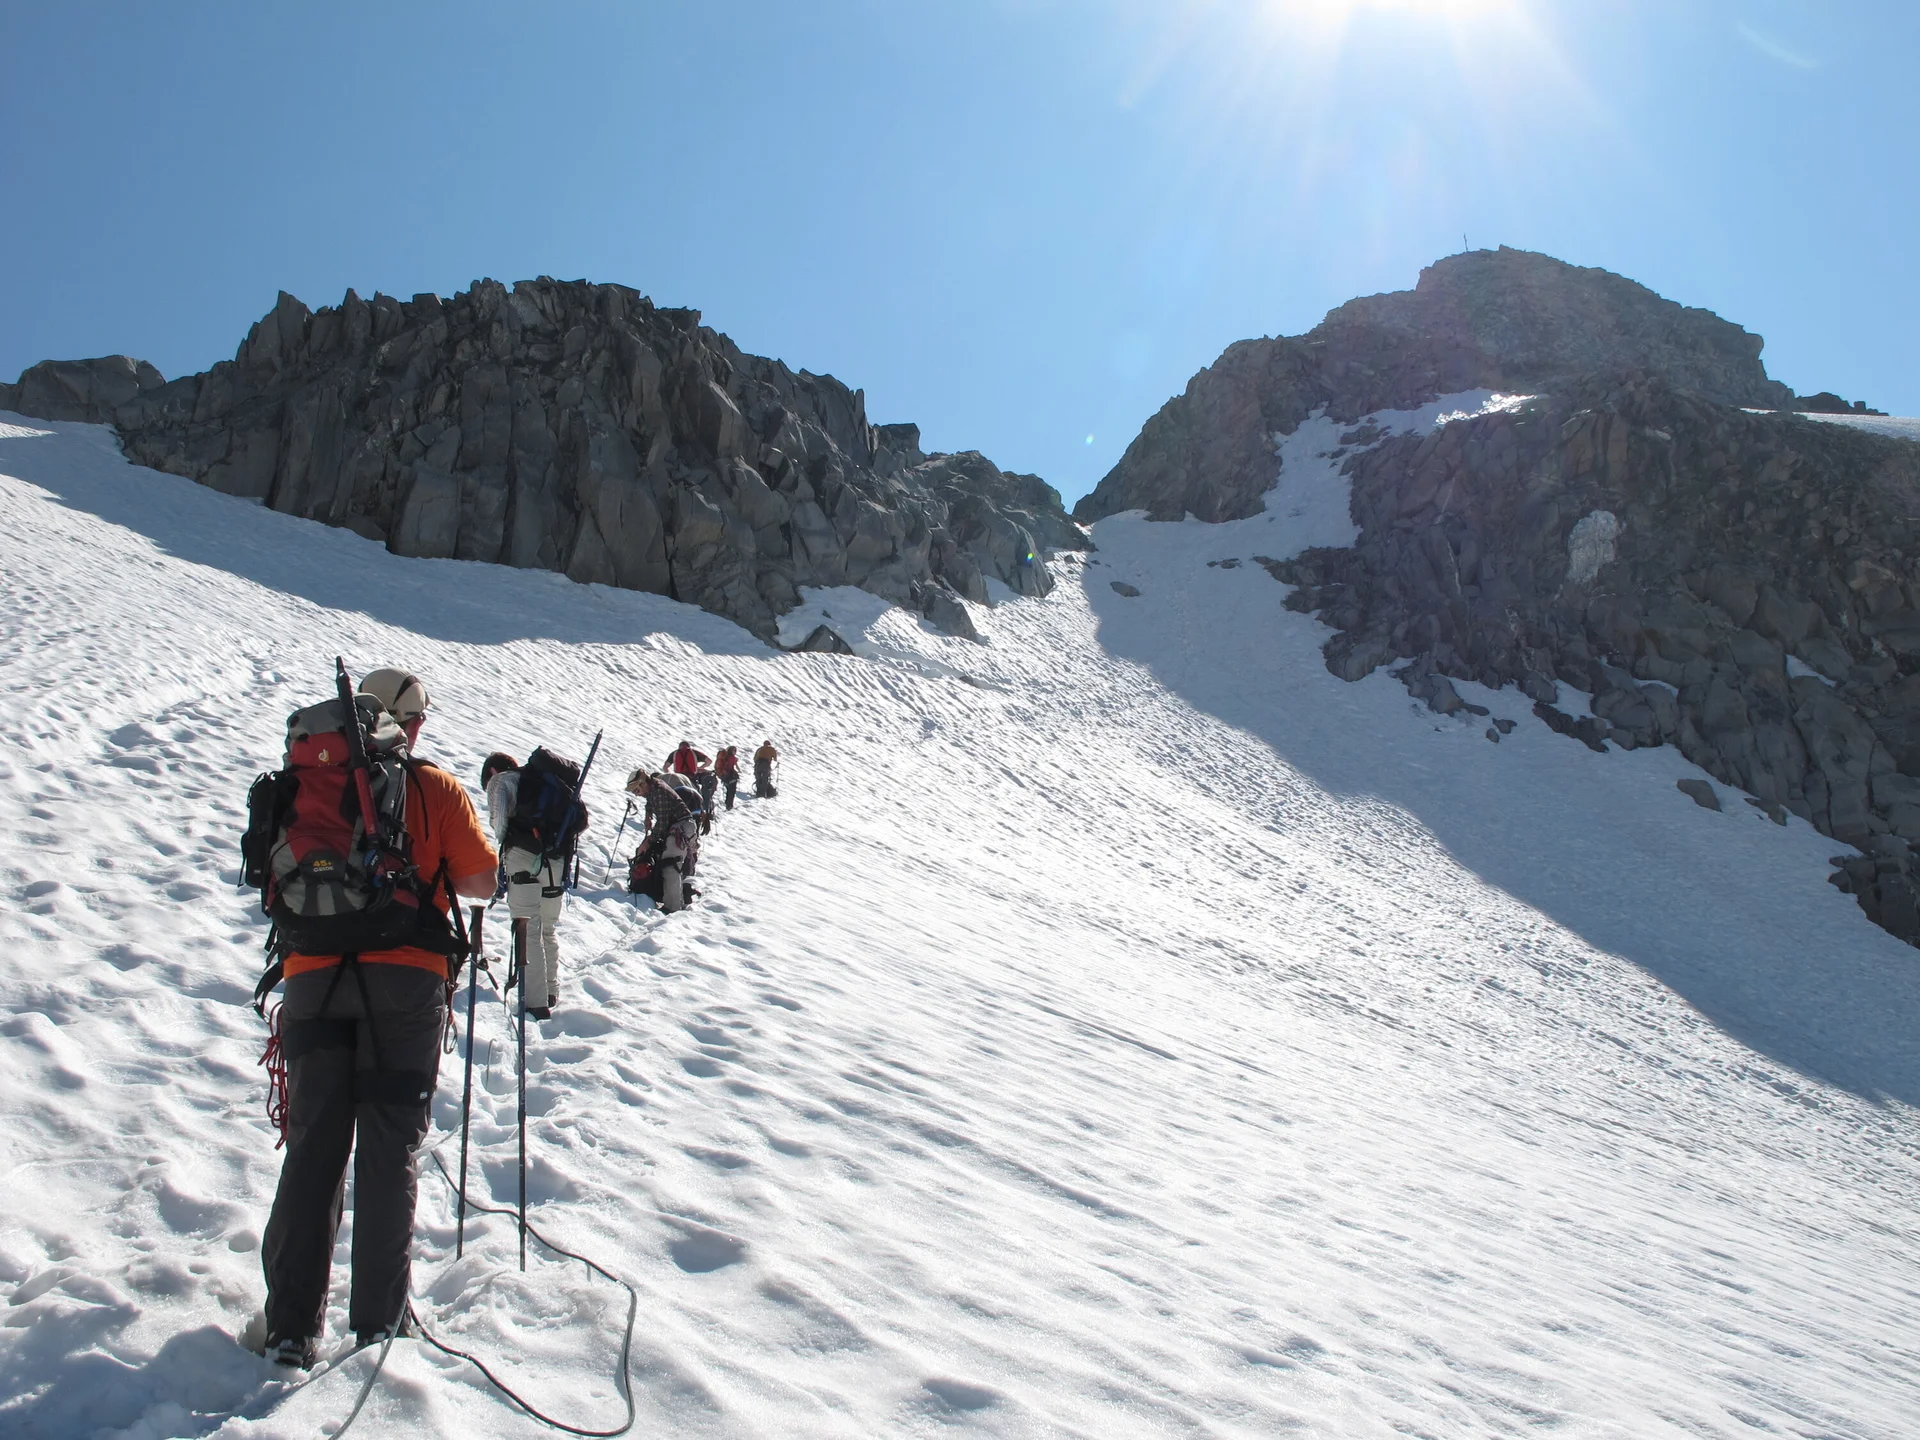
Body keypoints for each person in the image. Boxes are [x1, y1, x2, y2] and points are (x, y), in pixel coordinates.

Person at [260, 667, 496, 1369]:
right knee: (389, 1144)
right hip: (408, 979)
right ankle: (380, 1324)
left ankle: (291, 1329)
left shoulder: (301, 786)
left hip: (311, 978)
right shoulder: (432, 788)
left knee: (314, 1145)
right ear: (409, 724)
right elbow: (481, 881)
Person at [483, 748, 586, 1021]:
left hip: (523, 857)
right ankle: (551, 990)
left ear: (492, 771)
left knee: (528, 928)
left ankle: (535, 1002)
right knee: (548, 929)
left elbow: (500, 823)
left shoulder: (501, 781)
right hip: (557, 860)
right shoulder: (545, 781)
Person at [624, 768, 701, 913]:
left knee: (669, 864)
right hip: (683, 827)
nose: (637, 794)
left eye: (636, 790)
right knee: (670, 863)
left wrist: (648, 842)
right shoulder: (654, 788)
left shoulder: (658, 791)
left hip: (681, 828)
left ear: (642, 784)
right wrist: (648, 815)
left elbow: (663, 822)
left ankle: (672, 907)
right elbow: (650, 803)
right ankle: (676, 901)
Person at [714, 745, 740, 811]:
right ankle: (729, 805)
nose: (735, 752)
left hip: (724, 776)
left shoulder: (725, 757)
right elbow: (731, 767)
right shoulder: (731, 757)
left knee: (729, 790)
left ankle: (727, 804)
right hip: (729, 776)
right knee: (731, 791)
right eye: (735, 751)